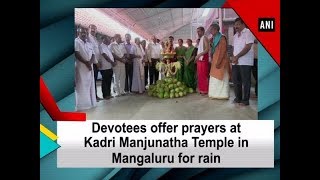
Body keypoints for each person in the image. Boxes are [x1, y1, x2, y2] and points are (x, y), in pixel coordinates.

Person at [232, 18, 255, 106]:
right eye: (235, 25)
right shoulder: (235, 36)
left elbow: (248, 47)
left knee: (246, 81)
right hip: (236, 62)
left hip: (245, 62)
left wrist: (237, 56)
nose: (236, 26)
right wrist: (234, 58)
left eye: (238, 24)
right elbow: (234, 49)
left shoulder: (248, 32)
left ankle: (245, 100)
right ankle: (238, 98)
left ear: (243, 24)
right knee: (236, 81)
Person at [74, 27, 97, 111]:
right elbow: (76, 53)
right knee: (81, 85)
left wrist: (90, 62)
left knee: (90, 84)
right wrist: (86, 62)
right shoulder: (76, 42)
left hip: (89, 67)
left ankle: (91, 103)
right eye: (82, 33)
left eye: (85, 33)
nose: (84, 34)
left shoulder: (89, 43)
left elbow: (93, 54)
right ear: (78, 33)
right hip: (81, 68)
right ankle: (81, 105)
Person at [208, 23, 231, 99]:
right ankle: (215, 94)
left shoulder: (222, 38)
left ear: (215, 29)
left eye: (211, 30)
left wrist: (219, 62)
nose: (210, 31)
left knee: (221, 77)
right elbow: (213, 50)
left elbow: (223, 51)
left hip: (221, 61)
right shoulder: (214, 38)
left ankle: (223, 95)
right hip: (215, 61)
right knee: (214, 78)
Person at [87, 24, 103, 101]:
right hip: (92, 62)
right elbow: (92, 51)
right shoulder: (88, 38)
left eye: (94, 29)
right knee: (92, 80)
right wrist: (96, 62)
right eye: (92, 28)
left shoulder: (95, 39)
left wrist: (99, 60)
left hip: (96, 62)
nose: (93, 30)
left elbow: (97, 51)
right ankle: (92, 97)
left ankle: (95, 96)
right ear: (88, 29)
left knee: (94, 80)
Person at [195, 26, 210, 95]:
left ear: (203, 31)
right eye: (197, 31)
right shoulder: (201, 39)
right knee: (200, 75)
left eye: (199, 31)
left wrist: (199, 55)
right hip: (200, 59)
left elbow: (207, 49)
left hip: (203, 58)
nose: (198, 33)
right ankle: (201, 89)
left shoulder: (205, 38)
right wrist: (197, 56)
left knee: (204, 74)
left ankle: (205, 90)